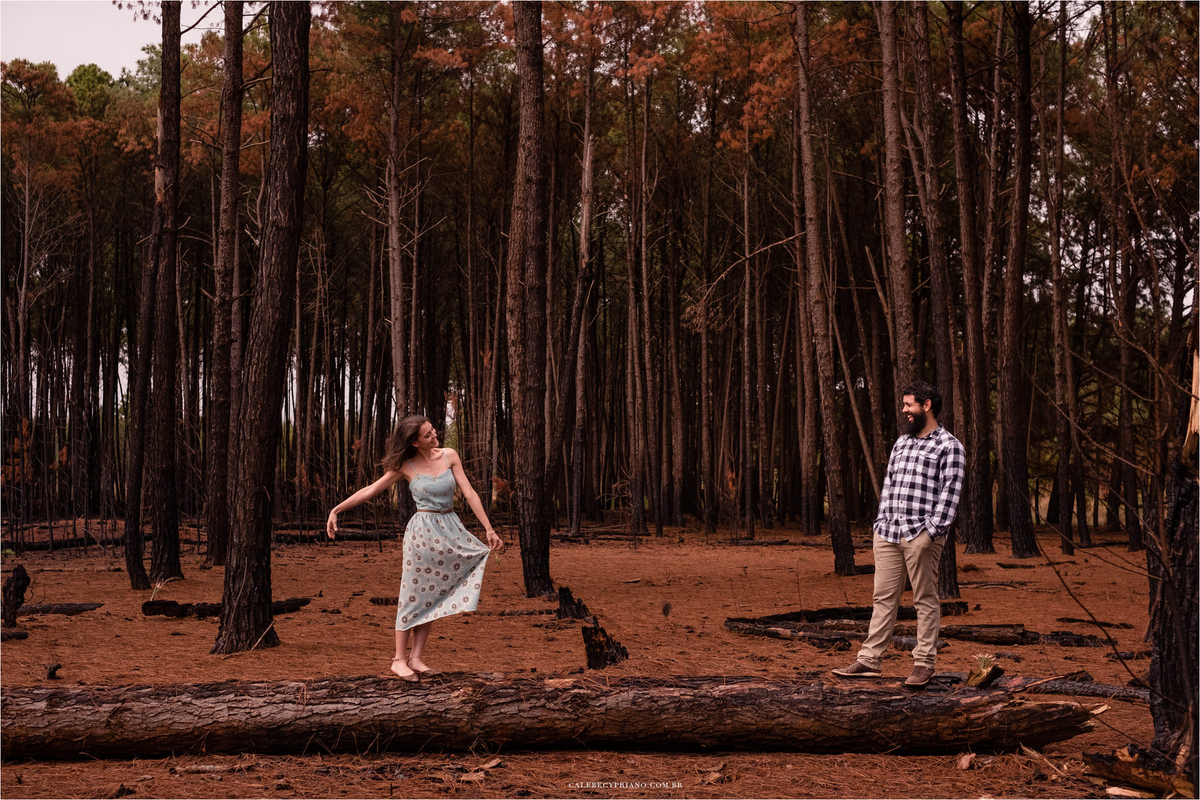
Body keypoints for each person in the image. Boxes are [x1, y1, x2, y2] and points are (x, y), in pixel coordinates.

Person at [327, 415, 504, 681]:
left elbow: (469, 492)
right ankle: (398, 660)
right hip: (422, 534)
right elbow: (371, 490)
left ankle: (416, 658)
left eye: (433, 431)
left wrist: (488, 529)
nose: (435, 437)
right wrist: (336, 509)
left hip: (450, 529)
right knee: (413, 593)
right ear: (414, 442)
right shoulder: (404, 465)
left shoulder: (449, 455)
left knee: (433, 592)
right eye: (428, 435)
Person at [833, 381, 965, 688]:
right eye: (904, 405)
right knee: (883, 598)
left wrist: (929, 534)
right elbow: (889, 485)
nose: (904, 410)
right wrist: (880, 524)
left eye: (909, 405)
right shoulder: (901, 444)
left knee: (925, 600)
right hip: (889, 532)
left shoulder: (949, 446)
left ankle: (924, 663)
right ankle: (868, 661)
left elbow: (951, 496)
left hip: (922, 535)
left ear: (927, 405)